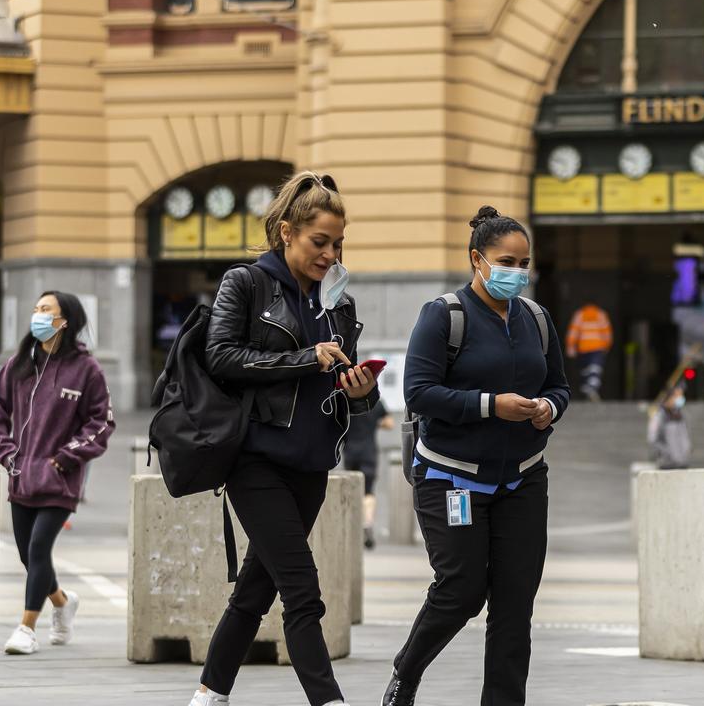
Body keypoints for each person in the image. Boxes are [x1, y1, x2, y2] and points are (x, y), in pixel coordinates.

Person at [188, 171, 377, 706]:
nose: (330, 253)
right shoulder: (246, 283)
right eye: (321, 241)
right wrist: (302, 358)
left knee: (256, 589)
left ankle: (209, 693)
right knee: (302, 591)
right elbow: (220, 356)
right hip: (255, 459)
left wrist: (360, 390)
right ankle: (329, 700)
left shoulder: (338, 301)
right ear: (288, 231)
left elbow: (343, 388)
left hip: (311, 464)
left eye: (338, 243)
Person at [385, 205, 570, 706]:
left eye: (524, 263)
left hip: (524, 479)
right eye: (506, 261)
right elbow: (419, 393)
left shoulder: (536, 318)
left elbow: (559, 386)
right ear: (477, 260)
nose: (517, 272)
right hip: (453, 479)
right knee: (461, 591)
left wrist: (548, 408)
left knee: (515, 606)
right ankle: (407, 672)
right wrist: (493, 406)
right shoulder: (443, 315)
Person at [0, 291, 115, 655]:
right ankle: (62, 602)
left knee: (40, 547)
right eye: (36, 309)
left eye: (46, 310)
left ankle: (26, 628)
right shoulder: (17, 366)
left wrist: (66, 458)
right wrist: (8, 456)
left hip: (60, 477)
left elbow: (101, 422)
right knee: (29, 555)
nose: (38, 315)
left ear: (65, 320)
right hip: (22, 476)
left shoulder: (86, 369)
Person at [342, 397, 394, 548]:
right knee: (368, 492)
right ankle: (367, 523)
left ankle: (351, 525)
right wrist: (374, 423)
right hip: (368, 452)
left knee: (351, 489)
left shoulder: (346, 400)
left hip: (349, 452)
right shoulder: (376, 402)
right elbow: (390, 424)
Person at [565, 300, 613, 401]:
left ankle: (589, 388)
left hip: (584, 347)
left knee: (586, 370)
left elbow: (573, 331)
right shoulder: (601, 314)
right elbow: (607, 332)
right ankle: (590, 388)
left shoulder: (580, 314)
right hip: (597, 347)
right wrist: (607, 346)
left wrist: (571, 347)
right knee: (595, 369)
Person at [647, 385, 691, 469]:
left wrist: (686, 451)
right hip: (667, 465)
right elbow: (653, 439)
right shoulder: (659, 416)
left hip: (682, 464)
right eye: (677, 396)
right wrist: (667, 454)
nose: (681, 399)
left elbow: (685, 437)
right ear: (670, 398)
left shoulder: (681, 416)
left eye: (681, 396)